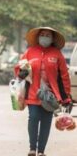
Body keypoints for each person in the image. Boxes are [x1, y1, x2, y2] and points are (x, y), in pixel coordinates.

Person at [15, 27, 72, 156]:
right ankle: (32, 148)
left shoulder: (57, 54)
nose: (45, 37)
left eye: (47, 35)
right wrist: (21, 71)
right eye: (42, 34)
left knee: (46, 122)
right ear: (38, 37)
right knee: (33, 118)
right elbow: (18, 68)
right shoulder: (30, 52)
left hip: (51, 96)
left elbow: (64, 76)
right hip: (32, 93)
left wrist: (66, 96)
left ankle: (41, 151)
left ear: (52, 39)